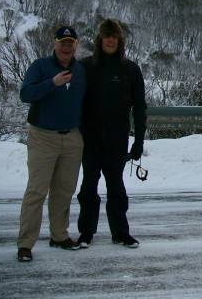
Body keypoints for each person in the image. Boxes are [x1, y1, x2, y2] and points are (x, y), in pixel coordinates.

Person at [17, 26, 86, 262]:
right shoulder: (40, 66)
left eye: (70, 43)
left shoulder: (81, 70)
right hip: (43, 135)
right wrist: (52, 83)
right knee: (36, 190)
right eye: (62, 42)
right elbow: (25, 94)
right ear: (55, 44)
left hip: (72, 137)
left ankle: (59, 235)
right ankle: (25, 243)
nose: (66, 47)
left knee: (64, 191)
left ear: (75, 45)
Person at [77, 19, 147, 248]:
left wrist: (138, 141)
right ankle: (86, 232)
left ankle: (120, 232)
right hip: (90, 139)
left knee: (116, 187)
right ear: (100, 40)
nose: (110, 41)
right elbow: (74, 103)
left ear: (120, 41)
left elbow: (139, 107)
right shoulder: (85, 67)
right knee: (88, 187)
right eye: (106, 37)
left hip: (117, 140)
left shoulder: (130, 70)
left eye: (114, 37)